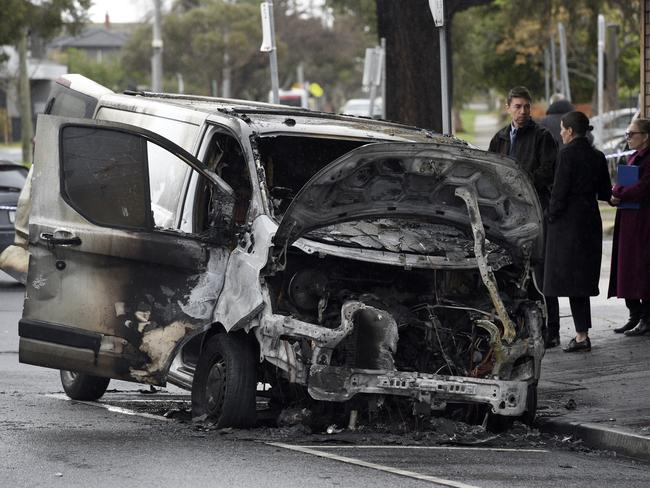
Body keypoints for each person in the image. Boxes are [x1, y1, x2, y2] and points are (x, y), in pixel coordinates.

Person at [489, 86, 560, 348]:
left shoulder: (542, 136)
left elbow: (548, 171)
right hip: (506, 214)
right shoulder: (499, 138)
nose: (522, 111)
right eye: (517, 106)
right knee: (510, 272)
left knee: (542, 274)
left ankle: (552, 329)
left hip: (535, 211)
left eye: (526, 106)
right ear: (508, 108)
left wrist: (518, 182)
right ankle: (517, 328)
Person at [543, 111, 612, 352]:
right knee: (580, 281)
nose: (561, 132)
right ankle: (582, 333)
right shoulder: (598, 156)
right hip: (590, 221)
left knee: (562, 279)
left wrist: (550, 215)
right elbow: (605, 192)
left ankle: (576, 335)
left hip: (567, 225)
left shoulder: (566, 155)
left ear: (570, 131)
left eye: (563, 129)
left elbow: (559, 192)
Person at [608, 118, 650, 336]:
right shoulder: (632, 156)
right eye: (627, 134)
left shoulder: (648, 159)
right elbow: (624, 182)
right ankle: (634, 314)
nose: (628, 138)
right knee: (626, 267)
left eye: (632, 134)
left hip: (643, 221)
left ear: (645, 137)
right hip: (628, 218)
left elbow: (642, 187)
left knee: (640, 268)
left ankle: (645, 317)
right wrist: (616, 191)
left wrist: (618, 194)